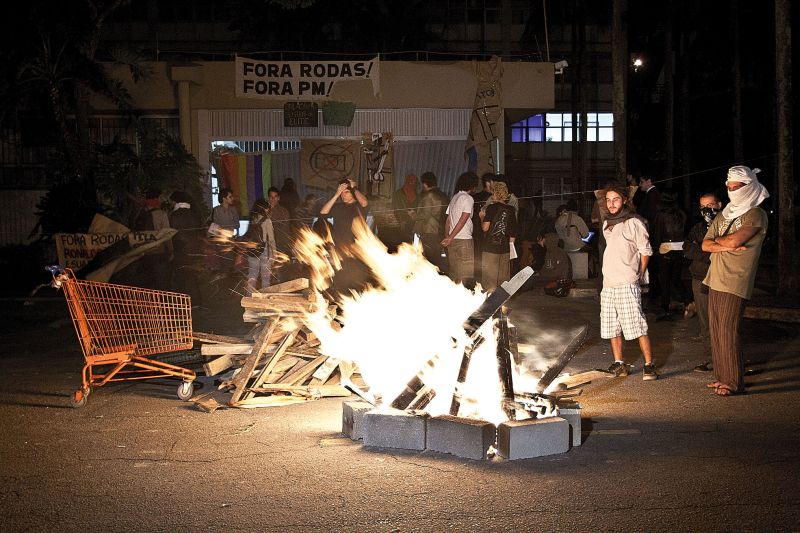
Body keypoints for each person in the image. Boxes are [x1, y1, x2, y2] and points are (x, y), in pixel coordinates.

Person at [702, 166, 769, 396]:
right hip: (716, 278)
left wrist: (722, 243)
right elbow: (705, 244)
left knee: (730, 330)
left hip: (736, 279)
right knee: (717, 330)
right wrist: (725, 243)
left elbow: (731, 242)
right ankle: (722, 377)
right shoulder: (726, 213)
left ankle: (734, 382)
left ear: (749, 186)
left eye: (736, 187)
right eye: (729, 187)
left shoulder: (755, 214)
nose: (732, 191)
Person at [601, 185, 657, 381]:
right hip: (608, 283)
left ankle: (649, 365)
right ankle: (619, 363)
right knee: (611, 326)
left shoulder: (634, 222)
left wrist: (639, 273)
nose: (611, 203)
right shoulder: (607, 223)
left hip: (627, 281)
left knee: (636, 325)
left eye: (615, 199)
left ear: (624, 200)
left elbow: (645, 250)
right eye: (608, 200)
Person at [683, 192, 722, 372]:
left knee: (722, 322)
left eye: (711, 205)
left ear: (719, 205)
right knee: (705, 322)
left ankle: (728, 361)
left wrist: (702, 249)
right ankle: (712, 359)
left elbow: (724, 252)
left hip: (721, 279)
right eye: (703, 206)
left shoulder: (725, 225)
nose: (707, 210)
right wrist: (708, 251)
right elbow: (688, 249)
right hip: (699, 278)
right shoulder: (697, 227)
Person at [652, 192, 691, 320]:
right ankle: (688, 301)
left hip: (665, 249)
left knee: (665, 279)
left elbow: (658, 234)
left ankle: (665, 307)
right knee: (676, 278)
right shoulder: (681, 213)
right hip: (680, 249)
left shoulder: (661, 215)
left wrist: (656, 250)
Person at [242, 188, 289, 293]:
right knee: (265, 277)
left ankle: (249, 298)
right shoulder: (267, 220)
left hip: (252, 249)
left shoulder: (252, 218)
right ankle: (264, 300)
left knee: (252, 275)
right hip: (265, 250)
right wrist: (274, 254)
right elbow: (271, 239)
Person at [442, 171, 479, 287]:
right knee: (464, 274)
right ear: (472, 185)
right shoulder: (468, 198)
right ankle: (461, 298)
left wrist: (447, 237)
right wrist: (450, 237)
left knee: (454, 273)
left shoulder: (454, 197)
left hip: (453, 241)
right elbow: (464, 219)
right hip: (464, 240)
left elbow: (448, 220)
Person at [480, 181, 517, 292]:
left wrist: (481, 217)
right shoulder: (511, 210)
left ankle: (489, 306)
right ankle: (501, 306)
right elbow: (513, 233)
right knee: (503, 282)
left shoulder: (491, 208)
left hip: (490, 249)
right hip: (504, 250)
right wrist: (511, 249)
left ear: (495, 194)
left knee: (489, 280)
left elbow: (485, 228)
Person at [168, 191, 204, 305]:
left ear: (175, 201)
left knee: (183, 276)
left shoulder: (174, 215)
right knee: (191, 275)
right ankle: (196, 300)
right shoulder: (194, 213)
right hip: (194, 249)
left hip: (180, 248)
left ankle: (185, 302)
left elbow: (171, 233)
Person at [319, 177, 369, 251]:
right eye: (341, 193)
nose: (343, 195)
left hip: (357, 246)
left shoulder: (359, 206)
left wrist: (354, 188)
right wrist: (336, 194)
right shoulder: (338, 207)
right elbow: (323, 212)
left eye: (346, 192)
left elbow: (364, 202)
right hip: (340, 246)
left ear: (352, 192)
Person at [413, 171, 449, 270]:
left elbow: (425, 214)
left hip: (429, 230)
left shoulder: (428, 195)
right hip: (441, 230)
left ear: (424, 183)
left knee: (429, 258)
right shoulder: (443, 195)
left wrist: (413, 215)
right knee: (437, 257)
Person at [636, 175, 662, 302]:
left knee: (652, 265)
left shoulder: (653, 195)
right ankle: (655, 291)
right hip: (652, 233)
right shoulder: (651, 195)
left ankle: (655, 292)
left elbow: (650, 215)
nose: (640, 185)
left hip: (652, 234)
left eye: (641, 182)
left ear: (649, 181)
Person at [392, 174, 418, 247]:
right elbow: (396, 208)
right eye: (410, 181)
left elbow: (417, 208)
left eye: (414, 182)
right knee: (400, 243)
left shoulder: (416, 194)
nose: (412, 183)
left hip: (412, 223)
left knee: (410, 243)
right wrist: (401, 221)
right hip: (401, 222)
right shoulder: (398, 194)